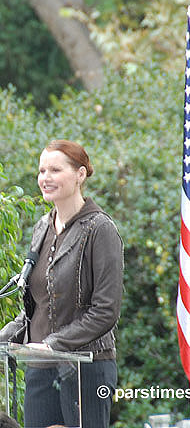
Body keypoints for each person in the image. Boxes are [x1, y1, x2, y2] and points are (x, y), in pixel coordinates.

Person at [0, 140, 124, 428]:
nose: (45, 177)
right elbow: (35, 307)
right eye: (42, 170)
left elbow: (106, 311)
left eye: (55, 169)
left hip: (87, 370)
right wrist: (5, 338)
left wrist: (53, 344)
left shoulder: (100, 229)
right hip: (41, 368)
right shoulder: (42, 226)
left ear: (80, 174)